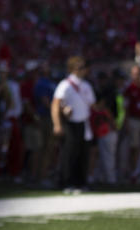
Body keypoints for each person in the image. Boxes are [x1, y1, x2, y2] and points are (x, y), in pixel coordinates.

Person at [51, 55, 95, 194]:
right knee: (69, 153)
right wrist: (57, 124)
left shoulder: (86, 85)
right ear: (72, 69)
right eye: (80, 67)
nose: (83, 70)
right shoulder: (65, 84)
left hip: (83, 122)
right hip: (70, 123)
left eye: (83, 67)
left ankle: (80, 182)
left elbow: (92, 104)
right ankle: (67, 182)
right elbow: (56, 104)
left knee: (82, 153)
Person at [122, 62, 140, 182]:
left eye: (137, 74)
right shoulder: (129, 89)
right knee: (134, 147)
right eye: (133, 74)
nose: (136, 76)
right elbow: (126, 107)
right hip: (134, 120)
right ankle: (135, 172)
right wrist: (126, 122)